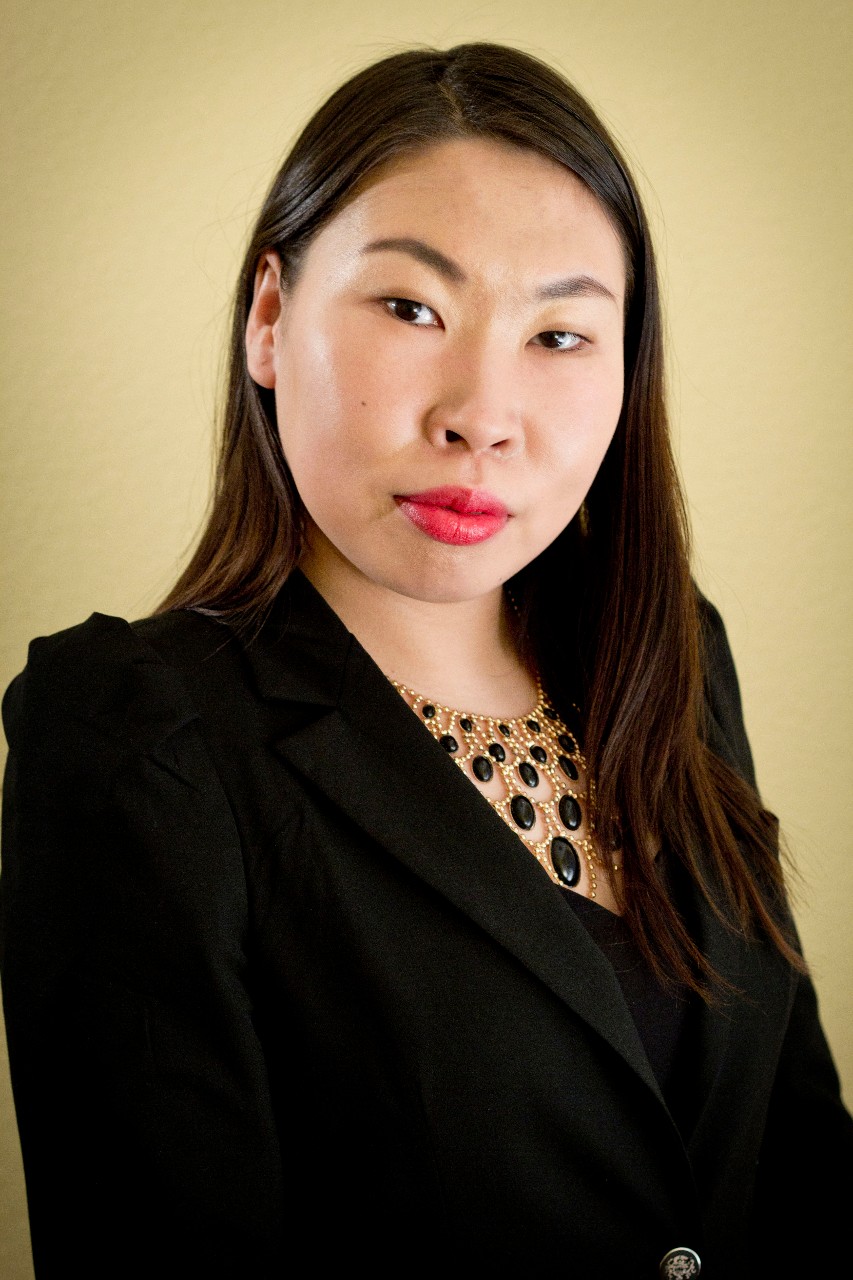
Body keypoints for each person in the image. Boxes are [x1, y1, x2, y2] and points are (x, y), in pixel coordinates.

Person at [1, 42, 850, 1280]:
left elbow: (801, 1160)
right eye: (411, 309)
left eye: (560, 334)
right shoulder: (141, 742)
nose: (480, 415)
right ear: (270, 318)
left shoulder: (670, 655)